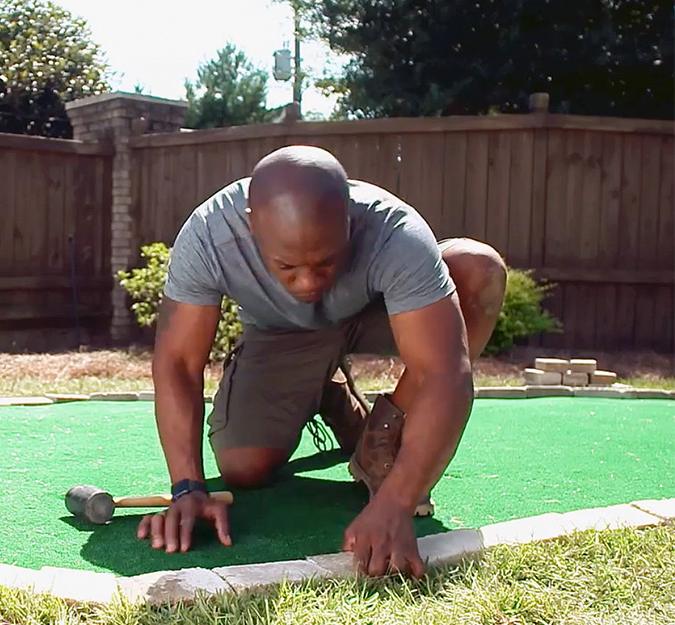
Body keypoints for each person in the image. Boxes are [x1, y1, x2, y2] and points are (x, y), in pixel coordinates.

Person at [135, 145, 507, 578]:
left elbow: (446, 370)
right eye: (288, 265)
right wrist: (187, 488)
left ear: (348, 219)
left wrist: (396, 502)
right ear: (252, 225)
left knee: (477, 270)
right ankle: (327, 388)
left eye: (326, 260)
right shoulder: (209, 234)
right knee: (244, 467)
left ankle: (382, 436)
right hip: (284, 336)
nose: (309, 281)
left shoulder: (394, 230)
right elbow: (178, 361)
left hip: (380, 314)